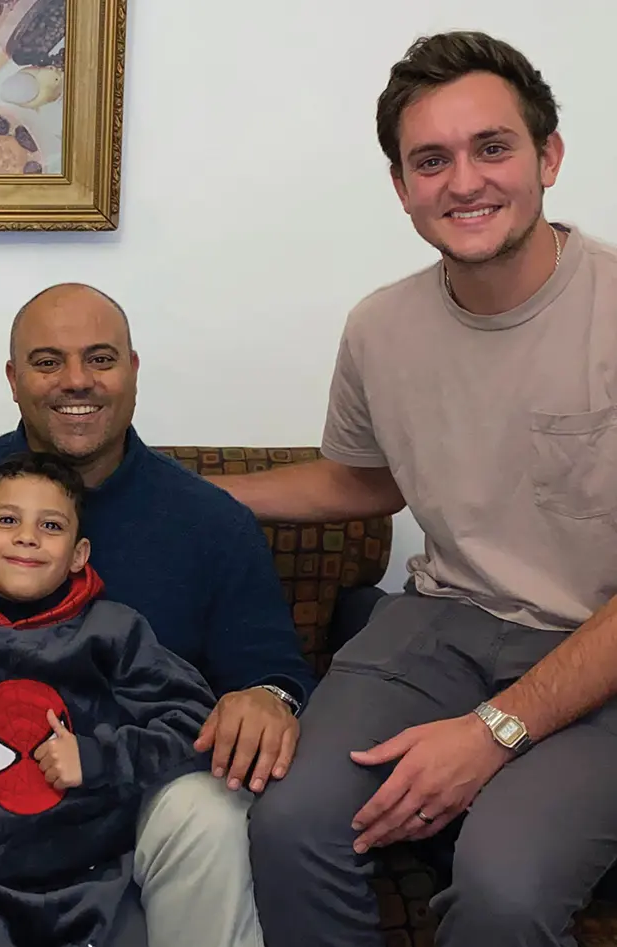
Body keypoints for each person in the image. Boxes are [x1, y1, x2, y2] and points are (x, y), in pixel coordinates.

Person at [212, 31, 617, 947]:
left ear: (547, 157)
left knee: (504, 888)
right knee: (289, 821)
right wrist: (201, 494)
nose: (463, 182)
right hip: (443, 625)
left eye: (493, 148)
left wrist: (493, 731)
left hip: (601, 648)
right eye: (430, 160)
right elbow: (368, 479)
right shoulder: (380, 327)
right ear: (401, 187)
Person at [0, 281, 318, 947]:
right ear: (14, 378)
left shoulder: (210, 520)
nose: (76, 381)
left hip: (138, 792)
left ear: (133, 370)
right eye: (48, 361)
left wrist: (265, 697)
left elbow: (278, 671)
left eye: (101, 359)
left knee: (211, 809)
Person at [0, 451, 218, 947]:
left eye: (50, 525)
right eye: (8, 520)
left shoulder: (113, 630)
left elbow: (194, 721)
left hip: (99, 877)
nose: (27, 536)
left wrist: (97, 757)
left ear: (79, 553)